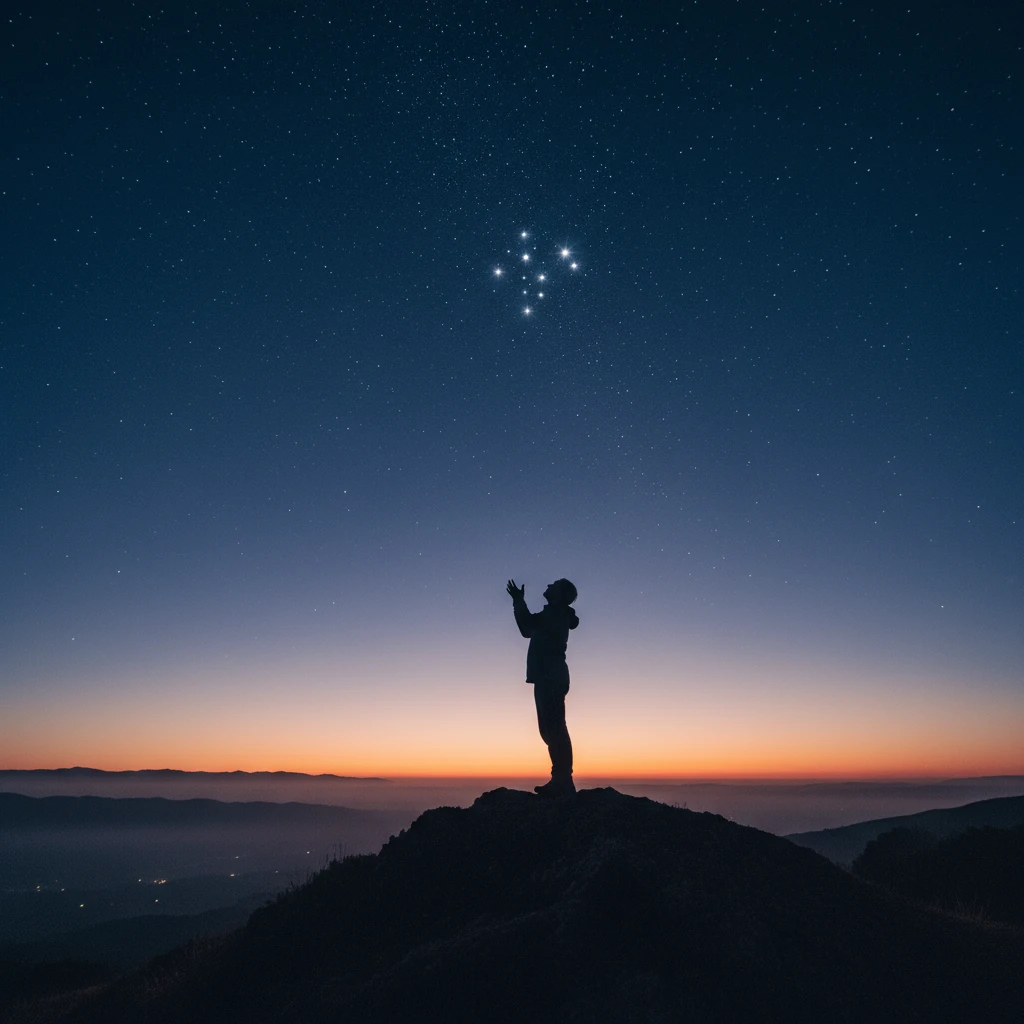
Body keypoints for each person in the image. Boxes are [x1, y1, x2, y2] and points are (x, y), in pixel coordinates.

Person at [506, 577, 579, 797]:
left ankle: (563, 781)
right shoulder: (556, 614)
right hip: (549, 676)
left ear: (560, 594)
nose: (547, 586)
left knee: (554, 729)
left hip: (550, 676)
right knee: (550, 730)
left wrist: (518, 601)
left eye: (553, 585)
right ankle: (560, 780)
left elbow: (527, 626)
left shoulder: (555, 613)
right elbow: (528, 629)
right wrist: (519, 601)